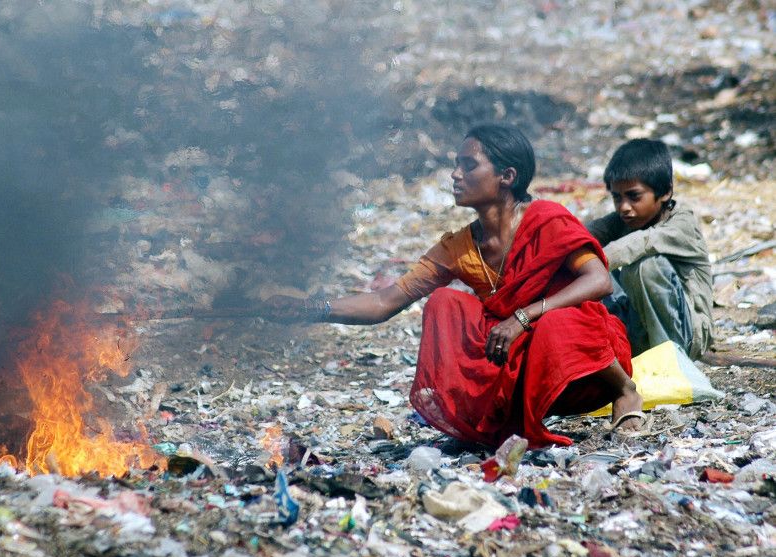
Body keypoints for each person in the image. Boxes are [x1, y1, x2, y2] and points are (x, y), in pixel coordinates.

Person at [268, 123, 643, 447]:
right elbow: (386, 301)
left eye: (468, 165)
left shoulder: (548, 219)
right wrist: (312, 309)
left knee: (558, 321)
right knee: (446, 303)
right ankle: (497, 418)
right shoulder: (459, 247)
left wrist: (524, 316)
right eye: (456, 165)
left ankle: (625, 392)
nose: (455, 175)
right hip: (516, 360)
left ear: (506, 177)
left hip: (584, 361)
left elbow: (599, 280)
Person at [587, 139, 713, 360]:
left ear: (665, 192)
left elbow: (640, 243)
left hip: (686, 336)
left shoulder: (682, 224)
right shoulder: (624, 219)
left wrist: (589, 264)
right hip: (640, 330)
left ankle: (672, 365)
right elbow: (581, 235)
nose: (624, 207)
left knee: (645, 267)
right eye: (617, 197)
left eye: (634, 196)